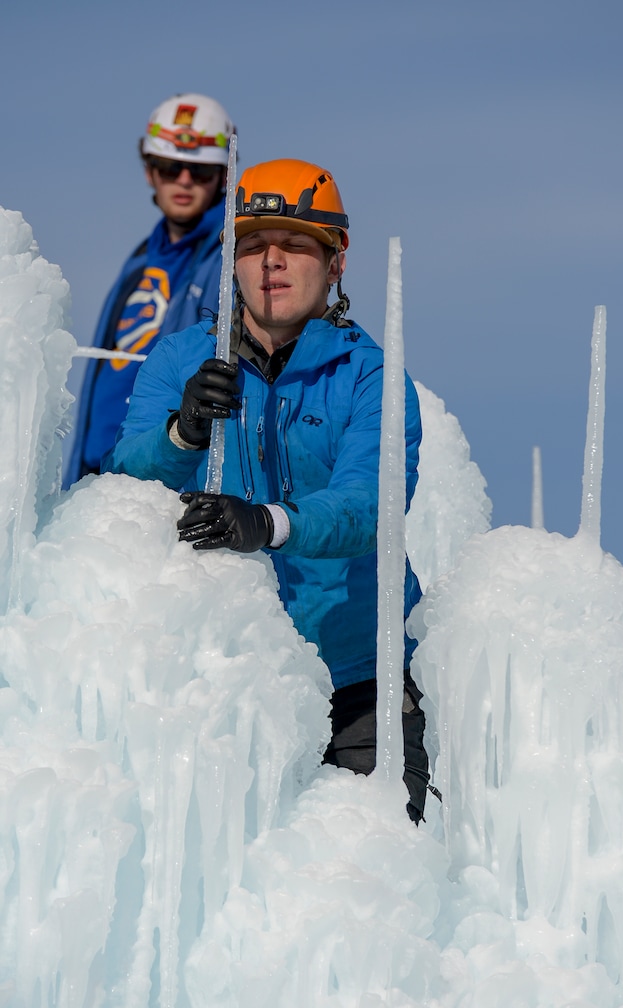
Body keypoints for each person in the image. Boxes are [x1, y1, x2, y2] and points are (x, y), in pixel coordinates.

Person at [103, 158, 429, 822]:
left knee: (377, 877)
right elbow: (123, 485)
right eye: (251, 244)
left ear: (336, 260)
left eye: (295, 242)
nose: (270, 260)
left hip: (357, 680)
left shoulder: (372, 377)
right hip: (219, 671)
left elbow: (372, 505)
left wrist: (267, 523)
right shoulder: (178, 360)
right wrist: (183, 432)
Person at [64, 93, 236, 487]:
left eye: (201, 171)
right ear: (149, 170)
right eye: (169, 166)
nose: (184, 180)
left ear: (225, 176)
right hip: (100, 477)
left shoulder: (232, 255)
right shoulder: (140, 260)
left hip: (167, 478)